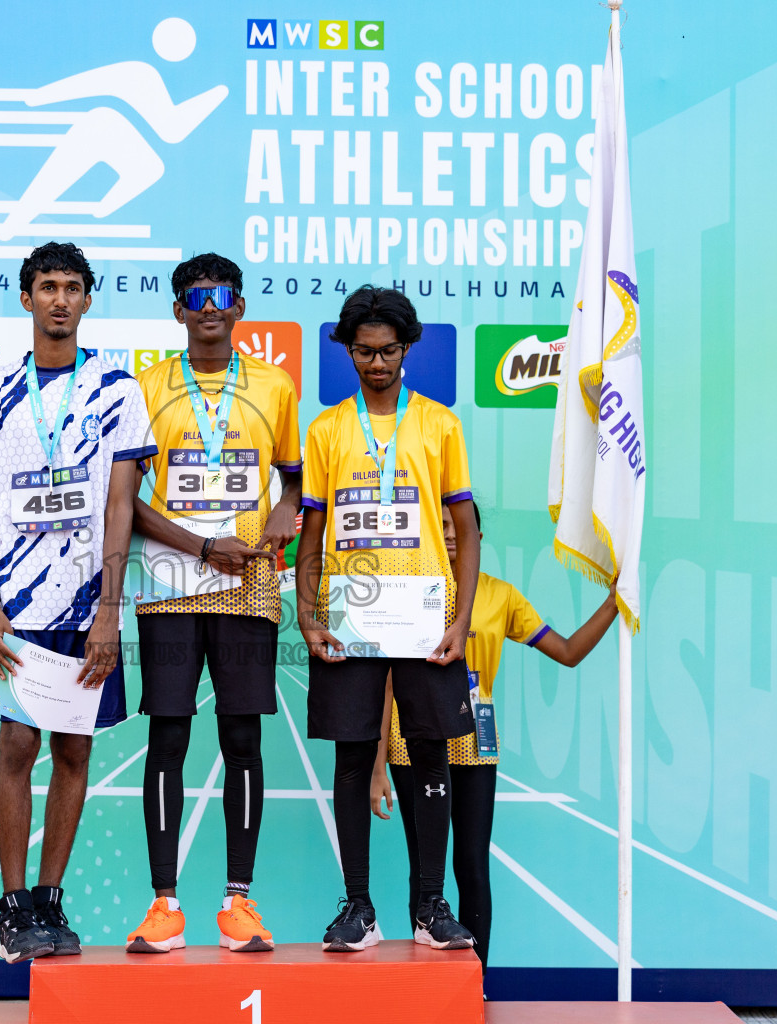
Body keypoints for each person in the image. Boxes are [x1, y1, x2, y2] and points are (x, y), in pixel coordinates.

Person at [0, 241, 157, 963]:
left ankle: (49, 899)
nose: (61, 299)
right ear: (26, 298)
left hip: (87, 604)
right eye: (48, 286)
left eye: (73, 287)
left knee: (75, 748)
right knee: (19, 744)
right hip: (22, 604)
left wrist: (109, 609)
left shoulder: (117, 387)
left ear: (89, 299)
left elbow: (121, 506)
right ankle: (13, 906)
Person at [124, 253, 302, 954]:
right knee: (167, 738)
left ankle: (239, 903)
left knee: (243, 741)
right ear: (177, 310)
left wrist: (282, 517)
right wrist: (202, 547)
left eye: (221, 295)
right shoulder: (146, 387)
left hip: (250, 583)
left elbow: (294, 485)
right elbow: (124, 499)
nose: (208, 306)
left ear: (238, 307)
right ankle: (164, 905)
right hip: (170, 584)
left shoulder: (275, 386)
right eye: (195, 296)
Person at [296, 285, 479, 952]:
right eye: (365, 352)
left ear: (408, 350)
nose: (377, 364)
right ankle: (358, 908)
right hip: (352, 617)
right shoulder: (326, 430)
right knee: (352, 757)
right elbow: (310, 537)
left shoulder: (440, 424)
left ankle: (430, 907)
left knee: (430, 751)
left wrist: (460, 620)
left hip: (426, 618)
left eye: (389, 352)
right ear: (347, 350)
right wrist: (310, 619)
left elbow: (466, 527)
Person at [371, 503, 621, 975]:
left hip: (474, 745)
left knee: (471, 866)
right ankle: (431, 991)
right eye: (436, 527)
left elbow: (566, 652)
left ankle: (473, 984)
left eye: (455, 528)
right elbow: (386, 684)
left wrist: (613, 603)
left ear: (475, 537)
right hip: (413, 744)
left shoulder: (501, 597)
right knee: (426, 872)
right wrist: (377, 762)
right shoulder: (408, 594)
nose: (447, 536)